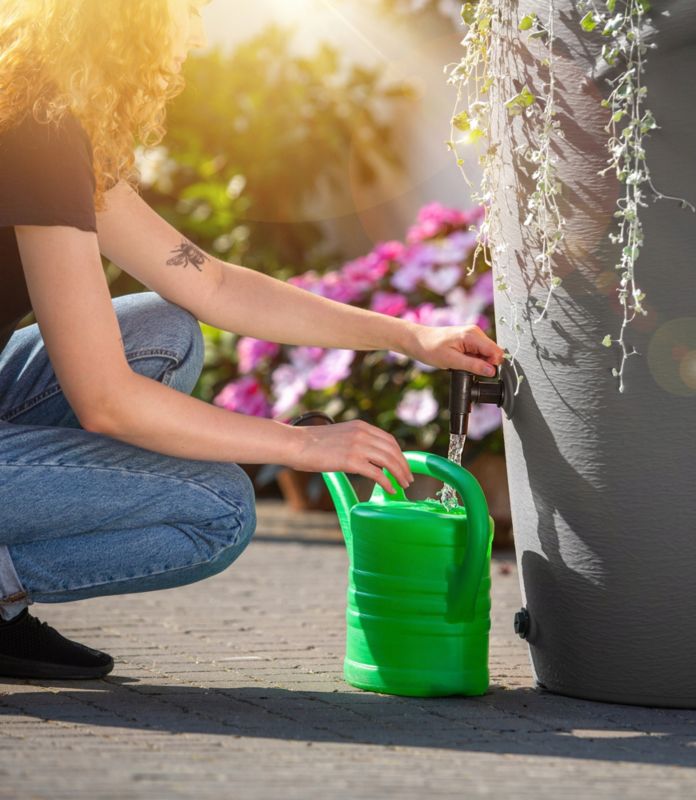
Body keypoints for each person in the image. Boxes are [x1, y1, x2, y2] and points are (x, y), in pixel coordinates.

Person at [0, 0, 506, 680]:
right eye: (184, 13)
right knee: (217, 507)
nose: (195, 33)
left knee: (164, 332)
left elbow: (210, 286)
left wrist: (409, 334)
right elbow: (106, 402)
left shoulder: (40, 114)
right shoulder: (35, 131)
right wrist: (300, 443)